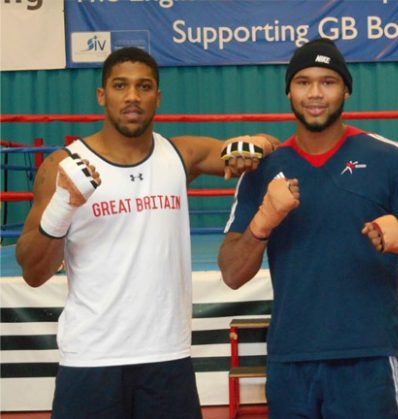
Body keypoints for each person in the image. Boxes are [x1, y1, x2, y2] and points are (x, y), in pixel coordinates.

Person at [15, 47, 277, 419]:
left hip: (167, 357)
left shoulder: (179, 155)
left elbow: (250, 149)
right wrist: (63, 206)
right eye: (121, 86)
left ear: (158, 96)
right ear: (102, 96)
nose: (133, 97)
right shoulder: (65, 166)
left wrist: (258, 144)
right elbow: (33, 272)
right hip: (92, 359)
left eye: (144, 86)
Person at [218, 38, 398, 418]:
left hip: (368, 357)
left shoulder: (388, 158)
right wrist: (262, 223)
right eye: (304, 82)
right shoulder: (263, 170)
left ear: (347, 90)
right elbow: (232, 273)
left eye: (328, 81)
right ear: (289, 90)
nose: (315, 93)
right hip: (290, 360)